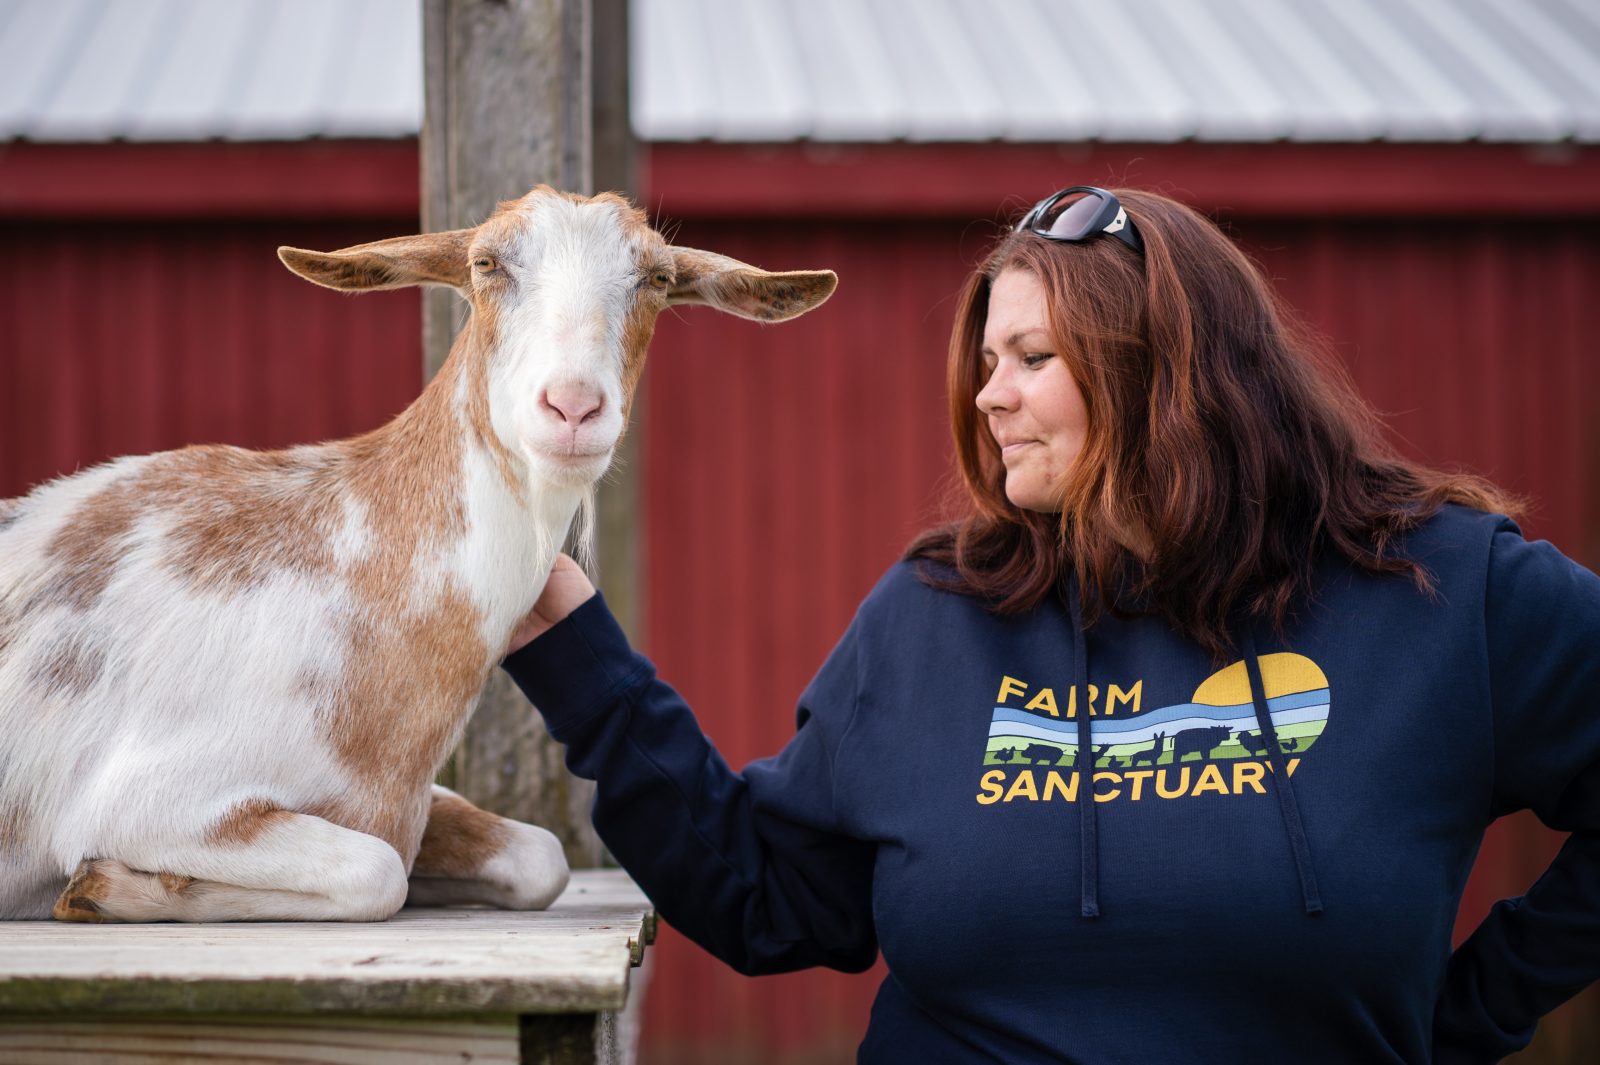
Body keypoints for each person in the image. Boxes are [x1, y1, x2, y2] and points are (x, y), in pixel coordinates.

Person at [500, 186, 1600, 1064]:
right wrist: (578, 655)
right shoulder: (940, 616)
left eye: (1030, 358)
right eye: (986, 364)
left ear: (1164, 367)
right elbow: (773, 901)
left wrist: (1464, 1020)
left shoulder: (1440, 589)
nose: (988, 398)